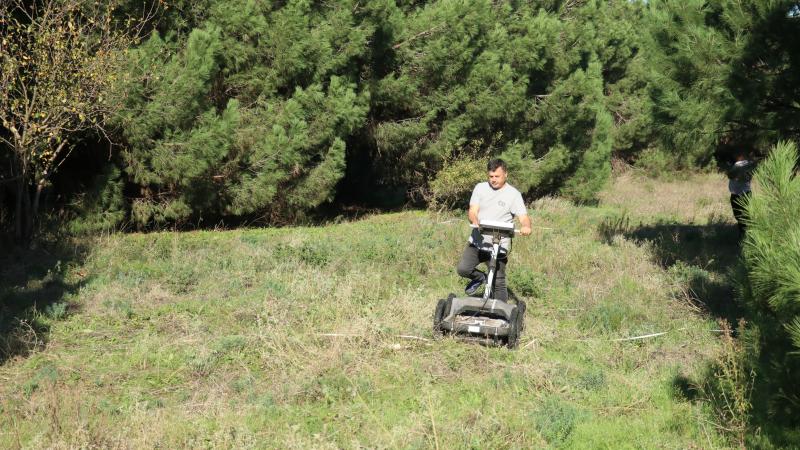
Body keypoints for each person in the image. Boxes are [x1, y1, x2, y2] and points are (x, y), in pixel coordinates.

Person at [456, 158, 531, 301]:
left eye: (497, 176)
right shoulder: (480, 188)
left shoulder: (513, 194)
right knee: (464, 269)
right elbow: (473, 210)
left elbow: (523, 217)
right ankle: (482, 278)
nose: (493, 180)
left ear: (505, 175)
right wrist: (474, 220)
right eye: (491, 176)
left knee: (498, 281)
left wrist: (526, 226)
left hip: (499, 244)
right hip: (478, 240)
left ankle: (501, 315)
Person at [726, 151, 756, 237]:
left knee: (741, 216)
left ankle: (745, 235)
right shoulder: (750, 164)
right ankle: (745, 235)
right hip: (744, 193)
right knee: (744, 215)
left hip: (740, 194)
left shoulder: (738, 165)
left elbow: (730, 175)